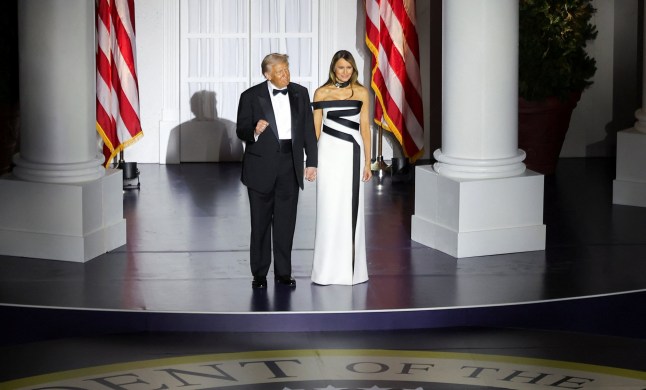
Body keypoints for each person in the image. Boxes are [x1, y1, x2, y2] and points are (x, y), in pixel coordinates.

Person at [236, 53, 318, 290]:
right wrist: (254, 129)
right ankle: (259, 274)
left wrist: (311, 161)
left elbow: (308, 131)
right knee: (260, 223)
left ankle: (284, 273)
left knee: (285, 223)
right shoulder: (251, 96)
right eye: (280, 71)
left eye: (287, 70)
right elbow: (241, 130)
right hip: (260, 167)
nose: (286, 75)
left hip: (289, 164)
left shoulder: (300, 93)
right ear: (267, 74)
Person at [311, 50, 372, 285]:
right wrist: (312, 162)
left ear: (353, 69)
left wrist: (368, 162)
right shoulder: (321, 93)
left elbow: (365, 128)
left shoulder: (361, 92)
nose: (345, 72)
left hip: (352, 154)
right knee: (328, 208)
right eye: (340, 68)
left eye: (348, 67)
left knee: (349, 209)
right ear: (333, 69)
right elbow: (315, 130)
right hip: (328, 152)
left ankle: (351, 271)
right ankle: (325, 270)